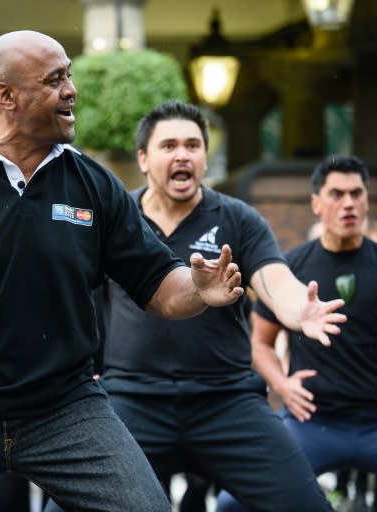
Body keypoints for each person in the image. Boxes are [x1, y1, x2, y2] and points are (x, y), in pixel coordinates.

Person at [0, 30, 248, 512]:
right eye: (55, 80)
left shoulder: (92, 184)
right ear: (5, 96)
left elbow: (160, 287)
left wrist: (199, 290)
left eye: (69, 75)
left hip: (67, 409)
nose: (71, 90)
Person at [84, 101, 345, 512]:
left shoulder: (238, 219)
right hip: (132, 401)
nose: (182, 154)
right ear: (144, 158)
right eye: (168, 145)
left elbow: (274, 279)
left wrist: (300, 311)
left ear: (205, 157)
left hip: (226, 401)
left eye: (192, 145)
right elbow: (79, 294)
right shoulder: (117, 219)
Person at [215, 155, 377, 511]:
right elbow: (259, 344)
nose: (348, 203)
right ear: (316, 203)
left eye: (356, 193)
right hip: (312, 421)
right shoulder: (289, 268)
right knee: (231, 505)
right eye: (336, 194)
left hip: (373, 422)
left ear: (366, 200)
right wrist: (283, 385)